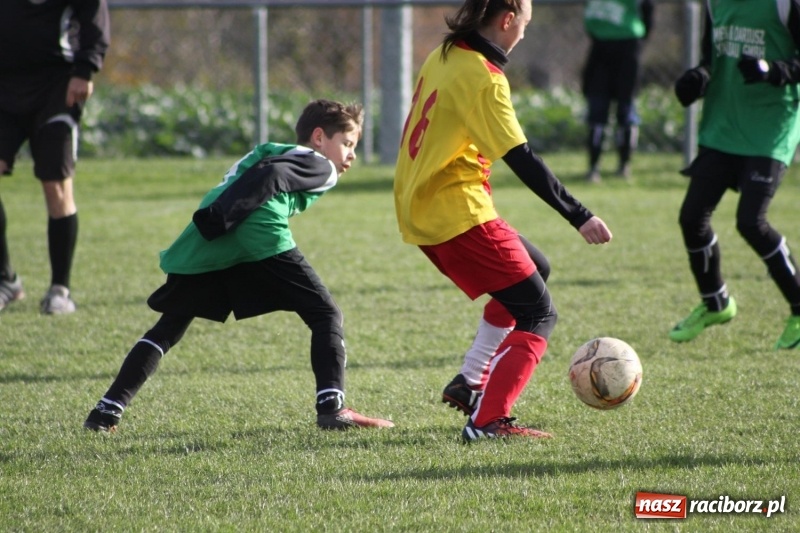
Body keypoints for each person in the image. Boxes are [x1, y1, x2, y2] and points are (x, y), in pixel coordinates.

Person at [84, 99, 394, 433]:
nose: (352, 155)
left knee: (170, 326)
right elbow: (272, 175)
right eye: (347, 143)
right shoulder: (319, 163)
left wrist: (223, 215)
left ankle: (106, 411)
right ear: (319, 137)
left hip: (215, 235)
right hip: (251, 227)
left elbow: (258, 172)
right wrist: (227, 213)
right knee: (326, 314)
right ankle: (333, 409)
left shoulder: (273, 150)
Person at [393, 0, 613, 442]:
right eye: (525, 24)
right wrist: (579, 215)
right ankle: (488, 421)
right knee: (538, 312)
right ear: (507, 20)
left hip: (421, 204)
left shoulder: (446, 53)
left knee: (536, 270)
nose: (525, 34)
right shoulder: (485, 78)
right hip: (456, 212)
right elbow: (522, 158)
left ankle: (470, 381)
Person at [670, 0, 800, 349]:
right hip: (723, 126)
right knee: (692, 217)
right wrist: (698, 77)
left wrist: (773, 70)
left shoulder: (784, 4)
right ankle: (716, 303)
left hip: (770, 128)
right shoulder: (715, 3)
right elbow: (712, 60)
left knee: (751, 222)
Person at [0, 0, 110, 314]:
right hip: (4, 87)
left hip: (56, 86)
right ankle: (6, 280)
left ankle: (60, 289)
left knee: (57, 186)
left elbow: (93, 13)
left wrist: (85, 69)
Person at [581, 0, 654, 183]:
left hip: (627, 45)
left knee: (625, 106)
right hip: (599, 44)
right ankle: (593, 166)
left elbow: (648, 9)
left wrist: (641, 37)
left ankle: (624, 165)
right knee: (597, 108)